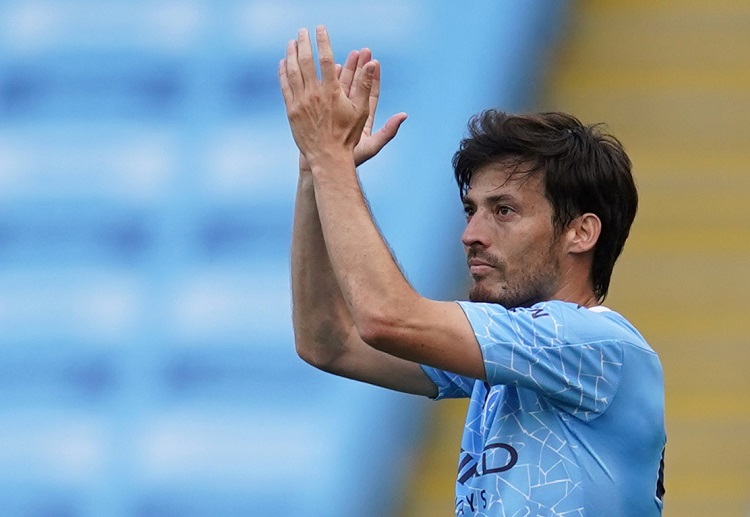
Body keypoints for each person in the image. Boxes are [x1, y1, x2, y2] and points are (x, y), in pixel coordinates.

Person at [279, 26, 666, 516]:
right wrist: (313, 170)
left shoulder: (595, 344)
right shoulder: (518, 359)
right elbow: (329, 342)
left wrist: (332, 160)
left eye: (504, 210)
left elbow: (385, 318)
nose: (471, 234)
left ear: (581, 232)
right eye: (471, 210)